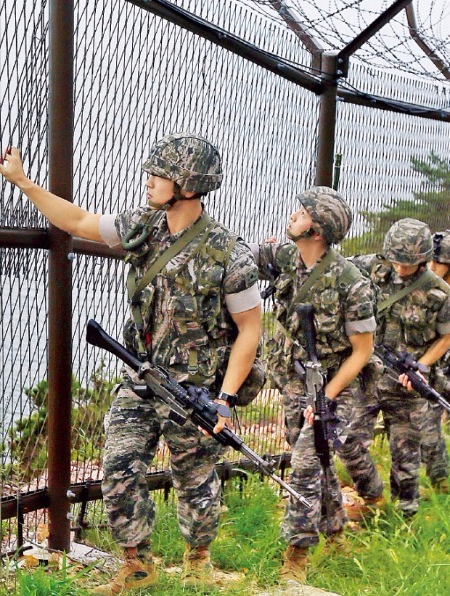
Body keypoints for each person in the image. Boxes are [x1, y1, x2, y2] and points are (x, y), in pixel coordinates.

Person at [0, 134, 262, 594]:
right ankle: (135, 564)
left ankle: (198, 561)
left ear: (186, 184)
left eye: (158, 174)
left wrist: (224, 399)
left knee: (195, 478)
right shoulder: (143, 226)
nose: (148, 181)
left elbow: (250, 330)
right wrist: (23, 182)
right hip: (140, 378)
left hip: (196, 389)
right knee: (119, 466)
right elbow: (78, 221)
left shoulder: (229, 253)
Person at [251, 186, 376, 585]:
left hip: (334, 385)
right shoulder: (285, 256)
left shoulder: (351, 282)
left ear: (317, 230)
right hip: (292, 379)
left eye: (301, 212)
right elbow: (241, 258)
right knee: (318, 460)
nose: (292, 216)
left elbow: (362, 351)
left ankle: (296, 558)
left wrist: (325, 396)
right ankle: (336, 531)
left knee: (305, 464)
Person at [339, 218, 450, 522]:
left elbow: (447, 335)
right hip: (366, 377)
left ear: (425, 259)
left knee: (406, 458)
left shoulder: (438, 292)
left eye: (409, 263)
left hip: (406, 387)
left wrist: (423, 365)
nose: (401, 268)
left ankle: (405, 518)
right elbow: (332, 265)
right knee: (347, 441)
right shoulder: (371, 267)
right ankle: (373, 495)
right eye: (397, 261)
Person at [419, 230, 450, 493]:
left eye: (438, 262)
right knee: (427, 430)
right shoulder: (428, 289)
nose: (432, 267)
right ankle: (442, 485)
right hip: (434, 371)